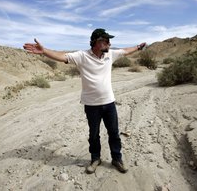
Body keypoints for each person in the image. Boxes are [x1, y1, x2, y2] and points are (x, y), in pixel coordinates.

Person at [23, 28, 146, 174]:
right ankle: (95, 159)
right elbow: (62, 56)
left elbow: (125, 50)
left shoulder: (110, 55)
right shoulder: (82, 56)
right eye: (106, 40)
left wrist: (138, 47)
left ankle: (116, 159)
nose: (109, 43)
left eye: (109, 40)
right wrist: (44, 51)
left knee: (114, 133)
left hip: (109, 103)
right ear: (96, 42)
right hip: (91, 105)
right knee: (93, 135)